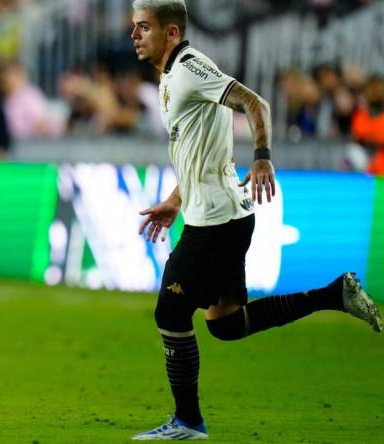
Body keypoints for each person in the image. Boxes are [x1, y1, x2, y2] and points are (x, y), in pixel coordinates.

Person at [129, 1, 381, 440]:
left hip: (217, 222)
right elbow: (199, 154)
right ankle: (333, 294)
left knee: (170, 312)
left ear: (171, 33)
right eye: (134, 27)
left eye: (144, 27)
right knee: (226, 323)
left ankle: (188, 422)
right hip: (218, 215)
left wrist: (262, 156)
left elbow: (254, 101)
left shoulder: (189, 66)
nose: (135, 35)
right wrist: (174, 199)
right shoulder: (171, 78)